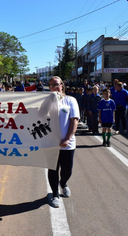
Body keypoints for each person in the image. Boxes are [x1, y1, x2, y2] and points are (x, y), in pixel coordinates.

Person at [44, 76, 79, 208]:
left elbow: (74, 120)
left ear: (62, 85)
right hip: (51, 143)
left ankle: (63, 183)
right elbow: (40, 115)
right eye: (51, 85)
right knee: (53, 169)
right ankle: (55, 194)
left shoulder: (70, 100)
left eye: (56, 85)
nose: (54, 88)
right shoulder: (47, 101)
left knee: (67, 170)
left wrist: (67, 138)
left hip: (67, 143)